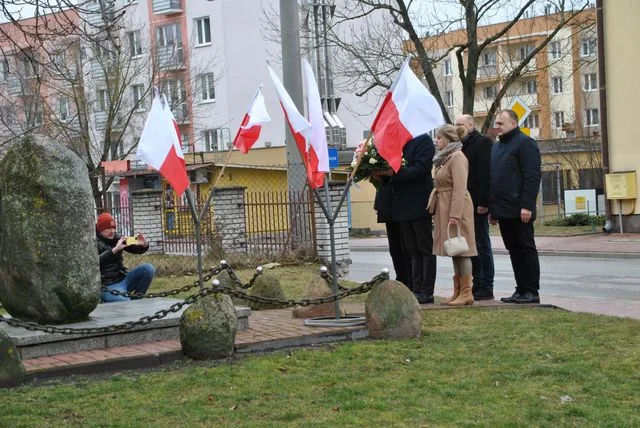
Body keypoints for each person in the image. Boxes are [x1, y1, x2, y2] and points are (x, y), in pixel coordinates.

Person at [373, 133, 437, 304]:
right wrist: (382, 176)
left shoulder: (423, 141)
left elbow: (421, 169)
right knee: (411, 250)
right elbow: (393, 173)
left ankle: (427, 290)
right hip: (400, 205)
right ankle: (416, 288)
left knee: (424, 249)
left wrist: (393, 172)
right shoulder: (399, 142)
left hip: (417, 203)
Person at [490, 109, 542, 304]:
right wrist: (493, 209)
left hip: (520, 209)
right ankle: (520, 289)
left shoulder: (525, 143)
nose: (497, 127)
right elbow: (493, 179)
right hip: (503, 209)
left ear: (513, 123)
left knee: (525, 249)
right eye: (496, 124)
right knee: (513, 250)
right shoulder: (496, 148)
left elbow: (531, 176)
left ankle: (531, 290)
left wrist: (527, 205)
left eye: (501, 123)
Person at [428, 124, 477, 306]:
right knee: (454, 249)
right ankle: (458, 292)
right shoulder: (445, 157)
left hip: (457, 208)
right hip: (446, 206)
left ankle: (466, 293)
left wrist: (455, 214)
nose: (436, 141)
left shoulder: (457, 157)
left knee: (462, 249)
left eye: (439, 138)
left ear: (447, 139)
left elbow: (460, 186)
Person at [456, 114, 495, 300]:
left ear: (471, 125)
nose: (458, 127)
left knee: (481, 244)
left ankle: (486, 285)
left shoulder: (483, 143)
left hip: (477, 203)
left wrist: (483, 202)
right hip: (464, 203)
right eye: (455, 124)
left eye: (461, 124)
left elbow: (485, 174)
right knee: (470, 246)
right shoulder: (459, 145)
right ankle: (474, 283)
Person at [95, 212, 155, 302]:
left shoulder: (116, 238)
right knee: (125, 303)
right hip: (107, 285)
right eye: (108, 228)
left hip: (123, 279)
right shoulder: (93, 242)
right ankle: (108, 300)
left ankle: (137, 300)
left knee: (148, 269)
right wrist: (115, 250)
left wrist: (144, 245)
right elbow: (94, 263)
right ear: (100, 229)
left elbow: (136, 248)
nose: (112, 231)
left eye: (113, 228)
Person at [373, 176, 411, 287]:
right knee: (394, 247)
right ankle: (401, 277)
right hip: (387, 203)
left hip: (402, 202)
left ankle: (410, 279)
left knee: (406, 246)